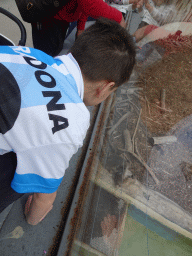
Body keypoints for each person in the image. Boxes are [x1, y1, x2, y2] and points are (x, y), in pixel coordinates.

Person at [0, 18, 136, 225]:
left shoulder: (33, 54)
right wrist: (31, 218)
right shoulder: (72, 121)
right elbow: (43, 200)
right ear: (105, 87)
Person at [31, 0, 143, 57]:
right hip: (48, 13)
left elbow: (84, 5)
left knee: (57, 48)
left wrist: (81, 27)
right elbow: (89, 4)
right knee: (45, 56)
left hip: (62, 13)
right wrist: (118, 17)